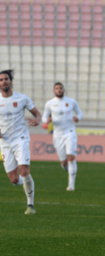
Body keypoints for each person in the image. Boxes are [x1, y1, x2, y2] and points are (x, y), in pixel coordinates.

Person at [0, 70, 42, 214]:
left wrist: (37, 120)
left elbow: (37, 113)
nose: (4, 81)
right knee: (13, 179)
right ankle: (25, 183)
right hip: (5, 142)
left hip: (21, 138)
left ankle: (30, 205)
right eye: (1, 80)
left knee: (24, 170)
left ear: (11, 82)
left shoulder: (22, 98)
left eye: (6, 79)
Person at [42, 82, 83, 191]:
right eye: (56, 88)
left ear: (63, 90)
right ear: (53, 91)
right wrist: (47, 120)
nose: (59, 90)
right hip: (58, 134)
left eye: (60, 88)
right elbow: (44, 117)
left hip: (70, 132)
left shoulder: (71, 102)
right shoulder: (50, 103)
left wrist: (77, 118)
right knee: (64, 161)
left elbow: (80, 113)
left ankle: (71, 184)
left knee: (71, 157)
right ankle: (67, 167)